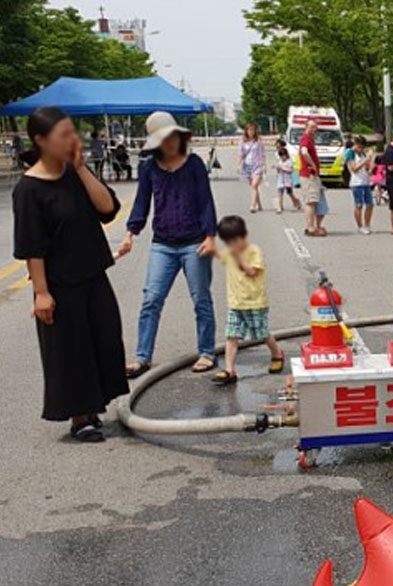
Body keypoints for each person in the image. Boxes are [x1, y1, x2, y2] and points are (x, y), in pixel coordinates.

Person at [11, 106, 127, 443]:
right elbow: (32, 245)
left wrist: (81, 169)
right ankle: (80, 418)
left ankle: (95, 406)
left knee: (104, 338)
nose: (72, 140)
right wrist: (42, 293)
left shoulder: (74, 174)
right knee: (70, 350)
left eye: (72, 133)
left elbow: (108, 209)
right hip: (60, 283)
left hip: (93, 273)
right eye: (64, 135)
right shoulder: (29, 189)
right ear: (41, 141)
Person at [118, 111, 218, 378]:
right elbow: (142, 202)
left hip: (194, 242)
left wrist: (210, 236)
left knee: (201, 300)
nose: (171, 142)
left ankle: (207, 352)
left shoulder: (194, 164)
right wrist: (131, 232)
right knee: (151, 299)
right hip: (162, 243)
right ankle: (142, 357)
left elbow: (205, 202)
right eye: (164, 139)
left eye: (173, 136)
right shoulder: (149, 168)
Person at [211, 215, 285, 386]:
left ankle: (277, 353)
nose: (231, 246)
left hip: (255, 302)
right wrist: (210, 248)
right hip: (235, 303)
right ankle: (230, 370)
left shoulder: (254, 251)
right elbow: (221, 257)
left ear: (243, 236)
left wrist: (237, 256)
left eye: (234, 241)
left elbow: (251, 271)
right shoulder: (229, 251)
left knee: (262, 333)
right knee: (232, 336)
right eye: (227, 242)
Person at [298, 120, 327, 236]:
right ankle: (310, 227)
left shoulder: (310, 139)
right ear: (306, 127)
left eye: (315, 127)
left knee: (314, 201)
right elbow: (304, 152)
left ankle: (313, 226)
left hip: (311, 174)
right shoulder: (305, 138)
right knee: (311, 201)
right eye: (311, 127)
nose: (313, 129)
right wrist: (313, 164)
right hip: (308, 175)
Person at [348, 136, 374, 233]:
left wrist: (369, 164)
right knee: (359, 205)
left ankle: (367, 224)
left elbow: (366, 168)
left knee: (370, 204)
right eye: (360, 147)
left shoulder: (362, 153)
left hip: (365, 181)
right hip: (356, 182)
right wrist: (365, 160)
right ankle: (360, 226)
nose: (361, 149)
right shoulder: (350, 153)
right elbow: (354, 169)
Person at [239, 123, 266, 214]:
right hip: (247, 165)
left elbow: (263, 154)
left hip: (257, 165)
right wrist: (239, 165)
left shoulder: (259, 141)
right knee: (253, 187)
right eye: (249, 130)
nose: (251, 132)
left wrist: (264, 166)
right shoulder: (242, 141)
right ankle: (259, 204)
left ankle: (253, 205)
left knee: (254, 185)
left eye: (253, 130)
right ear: (246, 131)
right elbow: (240, 154)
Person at [274, 147, 302, 214]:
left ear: (286, 155)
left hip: (288, 180)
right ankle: (279, 207)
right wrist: (277, 169)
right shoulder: (280, 162)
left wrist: (283, 168)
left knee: (290, 193)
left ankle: (297, 202)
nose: (282, 157)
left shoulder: (290, 161)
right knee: (280, 193)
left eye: (283, 155)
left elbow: (290, 170)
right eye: (281, 156)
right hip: (280, 179)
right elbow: (278, 171)